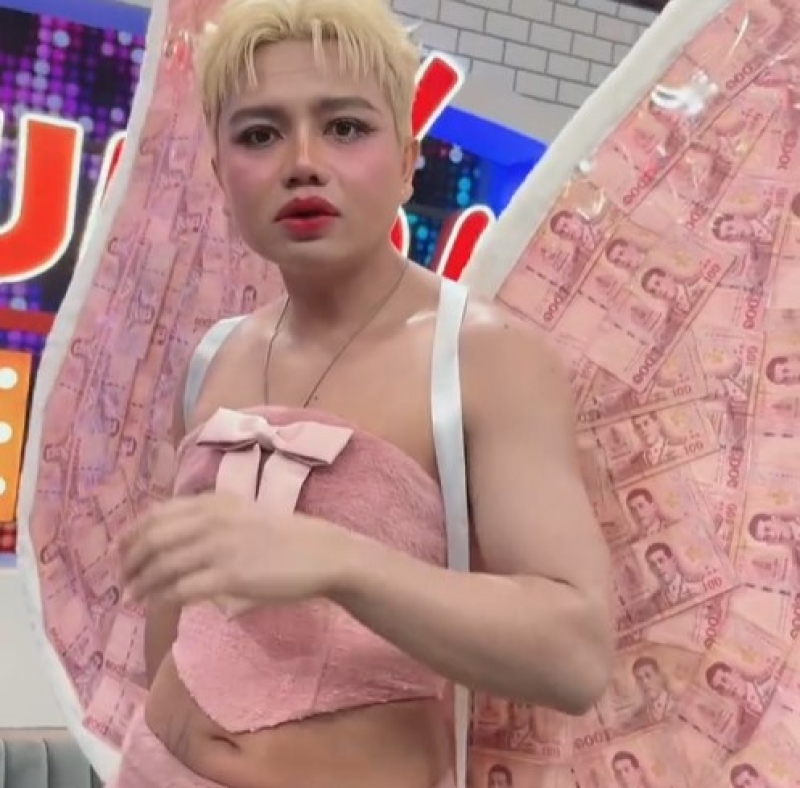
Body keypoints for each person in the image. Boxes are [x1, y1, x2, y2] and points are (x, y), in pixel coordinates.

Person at [110, 0, 613, 786]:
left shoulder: (483, 357)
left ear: (408, 160)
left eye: (344, 127)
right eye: (259, 134)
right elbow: (177, 620)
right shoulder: (213, 358)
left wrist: (340, 561)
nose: (303, 162)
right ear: (220, 174)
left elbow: (576, 655)